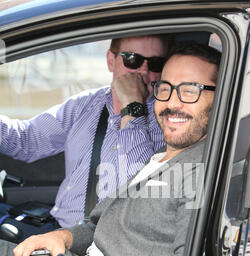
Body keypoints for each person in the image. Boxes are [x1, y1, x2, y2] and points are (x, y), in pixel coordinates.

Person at [0, 42, 221, 256]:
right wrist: (63, 237)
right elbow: (100, 219)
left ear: (220, 95)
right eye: (167, 88)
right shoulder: (164, 155)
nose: (173, 102)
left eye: (190, 90)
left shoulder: (198, 168)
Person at [0, 35, 168, 230]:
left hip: (110, 246)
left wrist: (132, 107)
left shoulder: (167, 119)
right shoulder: (86, 104)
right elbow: (26, 141)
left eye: (155, 63)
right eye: (133, 59)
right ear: (110, 61)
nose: (144, 71)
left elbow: (138, 190)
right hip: (58, 230)